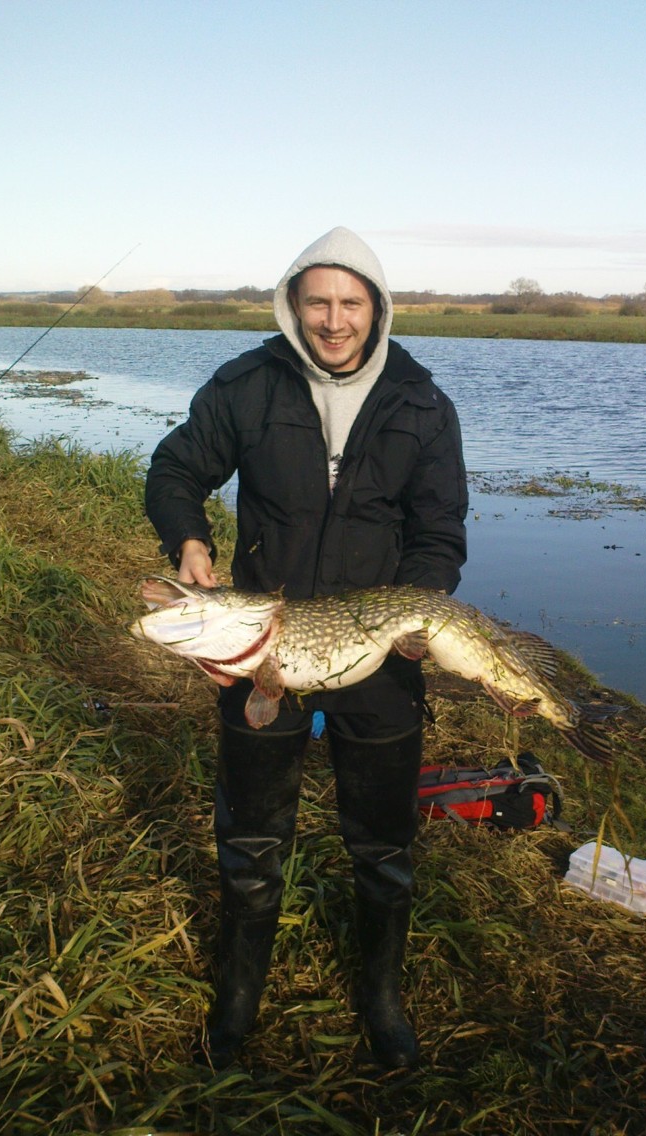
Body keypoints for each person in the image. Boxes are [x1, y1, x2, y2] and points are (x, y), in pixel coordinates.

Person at [145, 226, 468, 1069]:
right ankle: (239, 996)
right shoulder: (247, 386)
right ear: (294, 303)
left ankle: (382, 999)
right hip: (261, 640)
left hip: (378, 653)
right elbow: (174, 471)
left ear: (377, 308)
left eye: (351, 303)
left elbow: (440, 534)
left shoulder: (423, 404)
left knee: (384, 841)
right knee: (252, 835)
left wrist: (415, 615)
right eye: (318, 301)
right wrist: (187, 540)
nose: (334, 320)